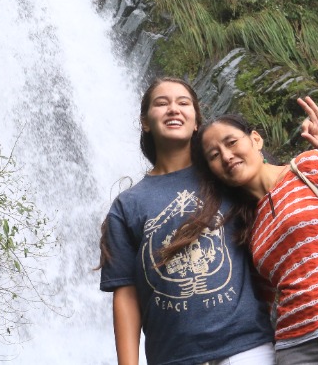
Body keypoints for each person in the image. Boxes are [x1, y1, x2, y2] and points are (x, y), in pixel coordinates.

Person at [168, 95, 318, 364]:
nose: (226, 156)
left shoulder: (307, 168)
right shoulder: (244, 223)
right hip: (295, 347)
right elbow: (262, 299)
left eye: (232, 142)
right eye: (214, 155)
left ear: (256, 139)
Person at [99, 77, 275, 365]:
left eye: (183, 103)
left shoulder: (226, 174)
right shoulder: (127, 205)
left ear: (196, 122)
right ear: (145, 122)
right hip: (174, 357)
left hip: (248, 348)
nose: (173, 109)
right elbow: (126, 294)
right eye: (161, 103)